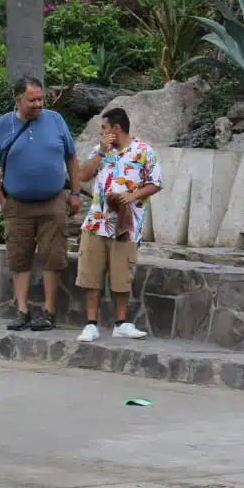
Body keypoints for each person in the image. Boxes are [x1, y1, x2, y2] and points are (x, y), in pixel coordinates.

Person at [0, 76, 83, 332]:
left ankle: (48, 311)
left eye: (40, 98)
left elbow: (71, 158)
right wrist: (2, 199)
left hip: (53, 202)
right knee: (19, 257)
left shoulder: (55, 120)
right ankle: (22, 310)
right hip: (18, 205)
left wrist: (75, 193)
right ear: (19, 100)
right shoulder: (3, 125)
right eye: (32, 100)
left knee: (53, 256)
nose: (39, 104)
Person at [74, 108, 163, 342]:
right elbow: (82, 176)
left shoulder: (143, 151)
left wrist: (132, 196)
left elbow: (155, 183)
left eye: (104, 128)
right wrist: (101, 153)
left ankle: (121, 323)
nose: (101, 132)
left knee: (121, 274)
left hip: (126, 225)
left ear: (116, 128)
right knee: (89, 273)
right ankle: (91, 324)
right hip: (96, 222)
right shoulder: (102, 151)